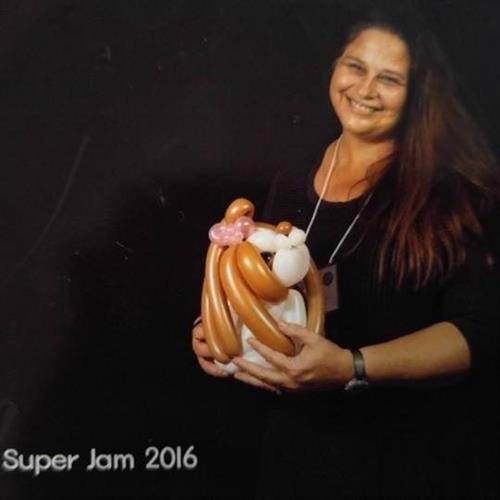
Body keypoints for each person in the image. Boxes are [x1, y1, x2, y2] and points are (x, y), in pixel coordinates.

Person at [192, 9, 499, 500]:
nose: (365, 89)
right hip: (297, 454)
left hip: (404, 462)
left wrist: (352, 367)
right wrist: (220, 326)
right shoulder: (296, 170)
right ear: (335, 66)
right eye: (356, 66)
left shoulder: (453, 191)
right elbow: (269, 286)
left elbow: (475, 334)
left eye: (389, 79)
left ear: (417, 94)